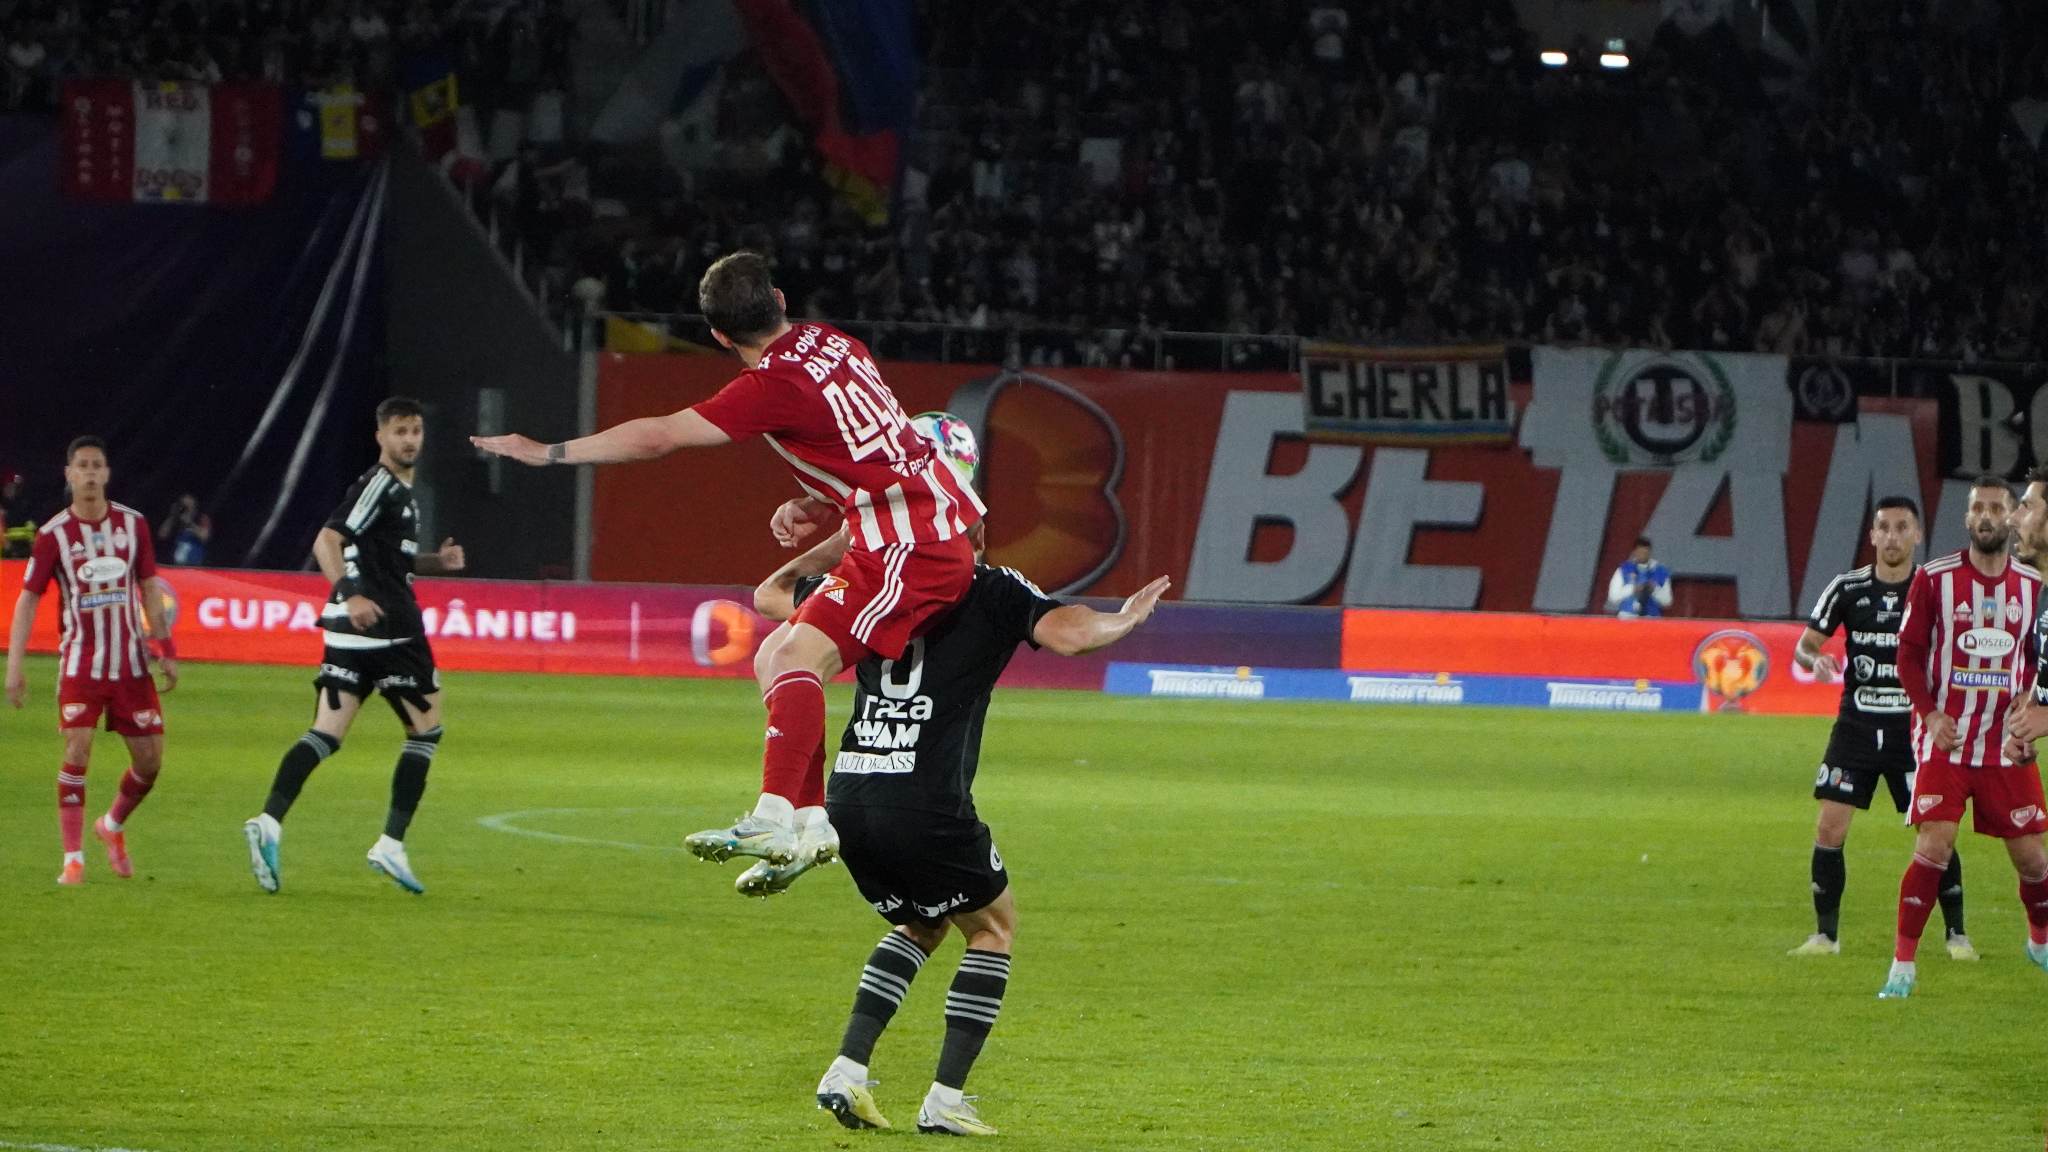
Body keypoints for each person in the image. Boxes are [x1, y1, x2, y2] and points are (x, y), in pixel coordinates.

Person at [470, 251, 986, 874]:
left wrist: (548, 451)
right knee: (774, 656)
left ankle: (769, 818)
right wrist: (820, 497)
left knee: (798, 658)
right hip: (906, 530)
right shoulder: (836, 342)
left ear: (718, 335)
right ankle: (812, 822)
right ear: (780, 298)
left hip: (911, 545)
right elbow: (873, 437)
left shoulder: (768, 386)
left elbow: (658, 435)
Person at [748, 515, 1170, 1136]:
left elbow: (770, 594)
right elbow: (1071, 634)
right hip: (926, 802)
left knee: (920, 922)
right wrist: (1126, 618)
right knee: (994, 926)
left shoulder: (865, 584)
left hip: (851, 795)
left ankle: (847, 1070)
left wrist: (852, 532)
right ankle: (945, 1101)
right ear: (970, 540)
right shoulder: (990, 586)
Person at [242, 397, 466, 895]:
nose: (410, 439)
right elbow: (326, 540)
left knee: (325, 733)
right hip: (389, 628)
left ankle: (269, 822)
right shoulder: (380, 485)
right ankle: (390, 843)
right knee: (426, 732)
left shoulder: (401, 494)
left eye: (416, 430)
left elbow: (388, 561)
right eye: (400, 431)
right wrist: (351, 593)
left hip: (346, 633)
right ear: (381, 437)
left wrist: (435, 562)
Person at [1879, 476, 2048, 998]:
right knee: (1935, 844)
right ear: (1966, 518)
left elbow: (2036, 659)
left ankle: (2039, 942)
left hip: (2004, 743)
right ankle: (1902, 965)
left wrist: (2032, 703)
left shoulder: (2033, 584)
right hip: (1945, 740)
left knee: (2035, 860)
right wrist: (1928, 715)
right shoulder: (1934, 579)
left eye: (1999, 507)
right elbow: (1907, 655)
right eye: (1980, 508)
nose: (1990, 516)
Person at [1788, 497, 1971, 958]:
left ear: (1917, 535)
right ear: (1872, 536)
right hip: (1856, 728)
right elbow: (1803, 648)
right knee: (1829, 829)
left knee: (1936, 833)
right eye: (1884, 528)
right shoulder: (1846, 589)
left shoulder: (1934, 588)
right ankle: (1825, 936)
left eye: (1901, 527)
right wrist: (1818, 660)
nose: (1892, 536)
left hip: (1915, 731)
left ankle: (1957, 935)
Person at [4, 437, 178, 885]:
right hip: (82, 664)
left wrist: (165, 647)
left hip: (132, 666)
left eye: (97, 466)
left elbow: (149, 588)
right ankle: (73, 859)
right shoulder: (53, 535)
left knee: (150, 764)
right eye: (81, 466)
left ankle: (112, 826)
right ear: (68, 474)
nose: (89, 474)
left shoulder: (133, 525)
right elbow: (27, 602)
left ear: (107, 473)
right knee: (77, 750)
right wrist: (14, 667)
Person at [1605, 536, 1672, 617]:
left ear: (1650, 552)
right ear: (1634, 552)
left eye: (1645, 553)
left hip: (1651, 620)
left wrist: (1654, 590)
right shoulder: (1623, 570)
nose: (1642, 555)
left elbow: (1667, 601)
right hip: (1627, 618)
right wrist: (1632, 589)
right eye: (1640, 552)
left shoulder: (1660, 571)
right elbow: (1613, 597)